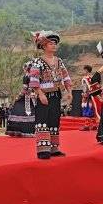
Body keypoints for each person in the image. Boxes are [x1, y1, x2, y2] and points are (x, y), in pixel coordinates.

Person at [29, 30, 72, 159]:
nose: (54, 45)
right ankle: (43, 149)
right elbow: (34, 79)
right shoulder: (38, 62)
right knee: (42, 120)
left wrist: (69, 91)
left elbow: (66, 76)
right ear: (43, 46)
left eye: (55, 43)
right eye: (51, 43)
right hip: (43, 95)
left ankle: (54, 148)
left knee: (54, 120)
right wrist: (40, 94)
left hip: (56, 94)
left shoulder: (59, 61)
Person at [6, 61, 36, 137]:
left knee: (18, 109)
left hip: (26, 97)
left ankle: (20, 130)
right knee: (33, 112)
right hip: (34, 96)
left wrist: (18, 96)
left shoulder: (26, 76)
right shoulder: (35, 76)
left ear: (26, 68)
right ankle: (33, 130)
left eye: (24, 68)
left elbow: (24, 89)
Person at [80, 65, 99, 131]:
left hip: (87, 95)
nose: (84, 71)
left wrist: (84, 94)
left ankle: (87, 125)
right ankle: (94, 125)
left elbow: (85, 87)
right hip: (92, 95)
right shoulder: (92, 78)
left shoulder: (85, 79)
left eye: (84, 70)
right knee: (92, 109)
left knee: (86, 109)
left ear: (86, 70)